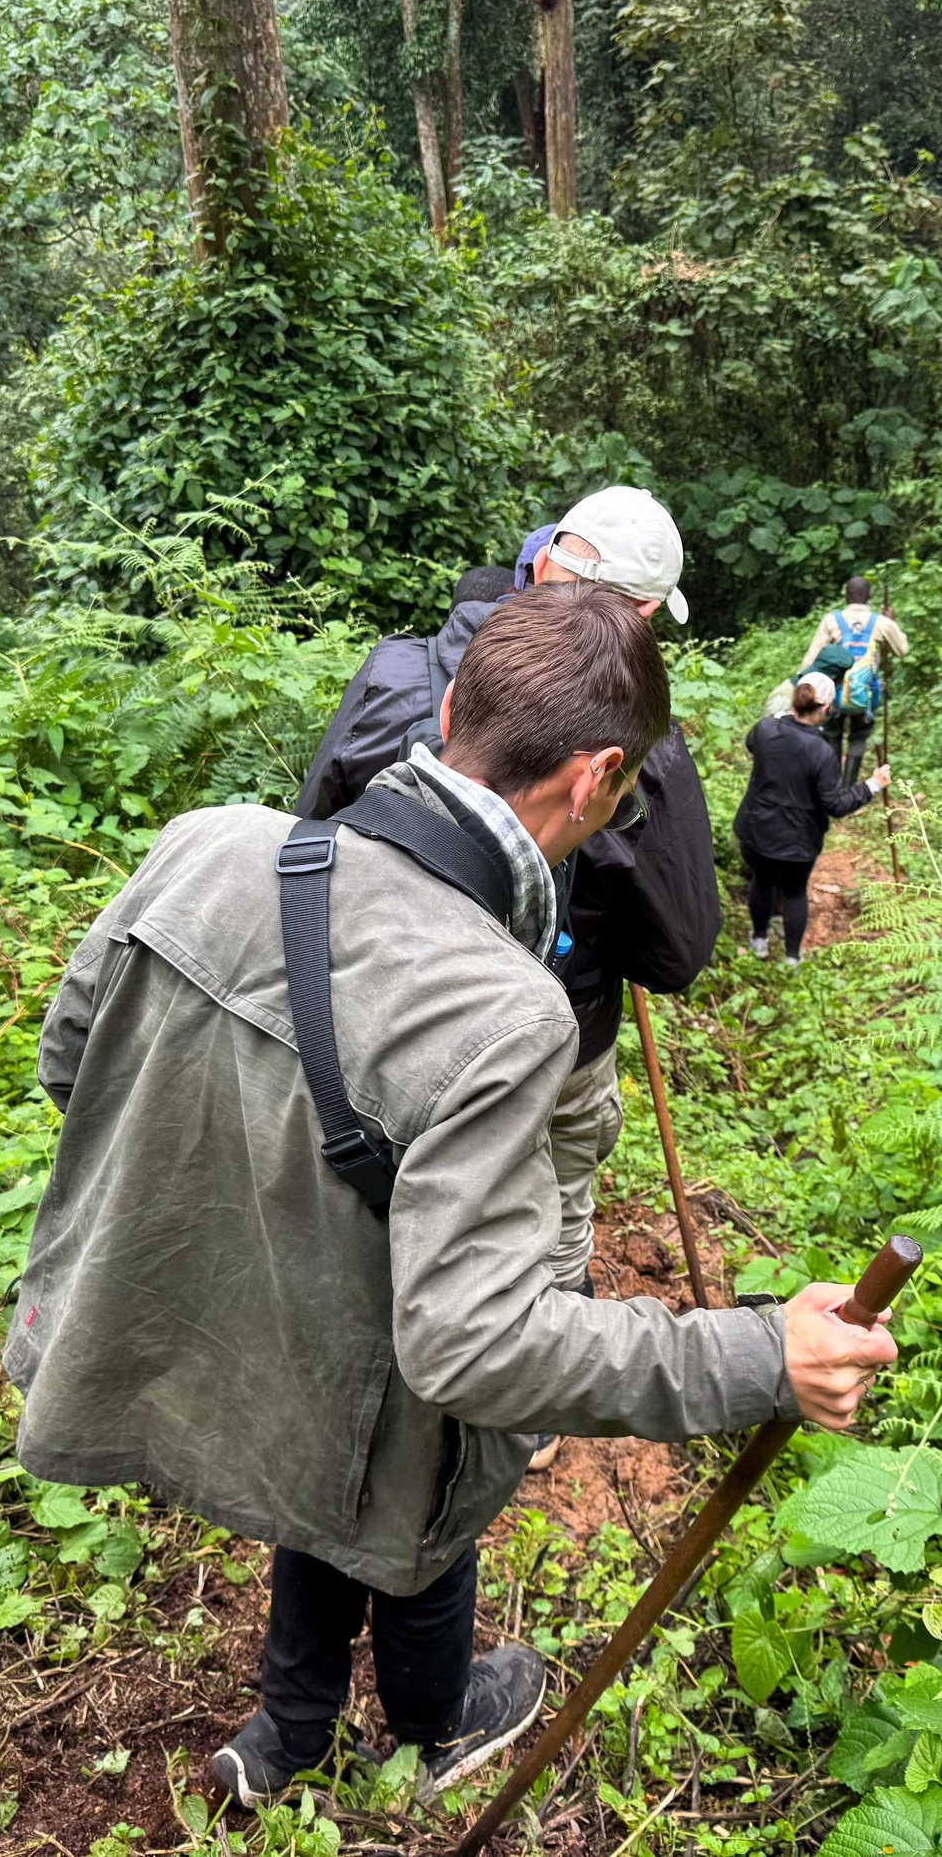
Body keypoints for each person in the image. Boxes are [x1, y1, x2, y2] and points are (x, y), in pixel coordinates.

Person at [7, 588, 900, 1811]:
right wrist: (761, 1355)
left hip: (214, 1344)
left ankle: (293, 1731)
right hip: (366, 1393)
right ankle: (433, 1724)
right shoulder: (503, 1010)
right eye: (626, 796)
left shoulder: (206, 843)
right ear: (597, 778)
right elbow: (475, 1348)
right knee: (426, 1464)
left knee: (346, 1469)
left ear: (448, 716)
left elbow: (73, 1064)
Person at [293, 487, 721, 1328]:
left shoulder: (396, 672)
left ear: (543, 559)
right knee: (545, 1241)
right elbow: (676, 951)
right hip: (554, 1044)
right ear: (643, 614)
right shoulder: (638, 744)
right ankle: (538, 1356)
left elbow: (312, 841)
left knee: (370, 1199)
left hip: (361, 1013)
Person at [733, 672, 892, 968]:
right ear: (826, 708)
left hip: (756, 829)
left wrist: (780, 719)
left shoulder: (766, 729)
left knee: (762, 881)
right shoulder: (822, 751)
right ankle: (792, 957)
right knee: (794, 892)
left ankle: (759, 941)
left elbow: (752, 743)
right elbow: (836, 805)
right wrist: (872, 785)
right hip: (798, 841)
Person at [800, 575, 912, 786]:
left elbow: (812, 658)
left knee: (833, 734)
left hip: (834, 692)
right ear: (868, 597)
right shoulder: (881, 622)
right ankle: (848, 788)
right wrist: (891, 622)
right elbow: (903, 650)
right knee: (858, 737)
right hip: (866, 694)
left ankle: (831, 786)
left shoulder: (831, 620)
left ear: (846, 596)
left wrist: (803, 684)